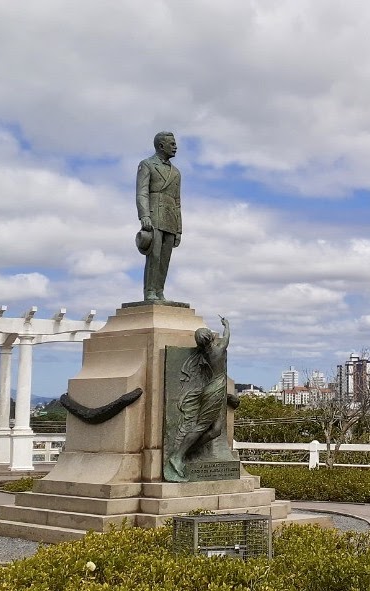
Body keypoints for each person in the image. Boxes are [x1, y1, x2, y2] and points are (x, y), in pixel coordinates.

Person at [166, 316, 239, 481]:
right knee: (201, 426)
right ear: (211, 338)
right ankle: (177, 456)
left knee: (216, 430)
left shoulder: (204, 352)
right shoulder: (218, 351)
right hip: (214, 391)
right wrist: (226, 324)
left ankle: (186, 451)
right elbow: (226, 337)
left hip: (215, 390)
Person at [135, 131, 181, 302]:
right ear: (161, 146)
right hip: (154, 215)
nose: (175, 147)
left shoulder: (176, 172)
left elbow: (177, 201)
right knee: (154, 256)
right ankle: (150, 292)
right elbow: (142, 193)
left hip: (170, 219)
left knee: (164, 258)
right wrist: (144, 215)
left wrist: (179, 229)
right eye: (172, 144)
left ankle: (159, 291)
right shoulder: (147, 164)